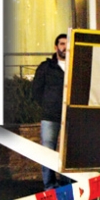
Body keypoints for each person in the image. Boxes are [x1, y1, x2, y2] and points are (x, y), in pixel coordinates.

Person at [31, 33, 69, 190]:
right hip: (50, 115)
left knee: (68, 152)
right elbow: (36, 90)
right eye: (62, 44)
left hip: (70, 116)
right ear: (56, 47)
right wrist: (47, 105)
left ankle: (67, 185)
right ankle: (50, 185)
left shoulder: (76, 66)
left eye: (67, 44)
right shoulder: (46, 67)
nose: (65, 47)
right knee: (48, 151)